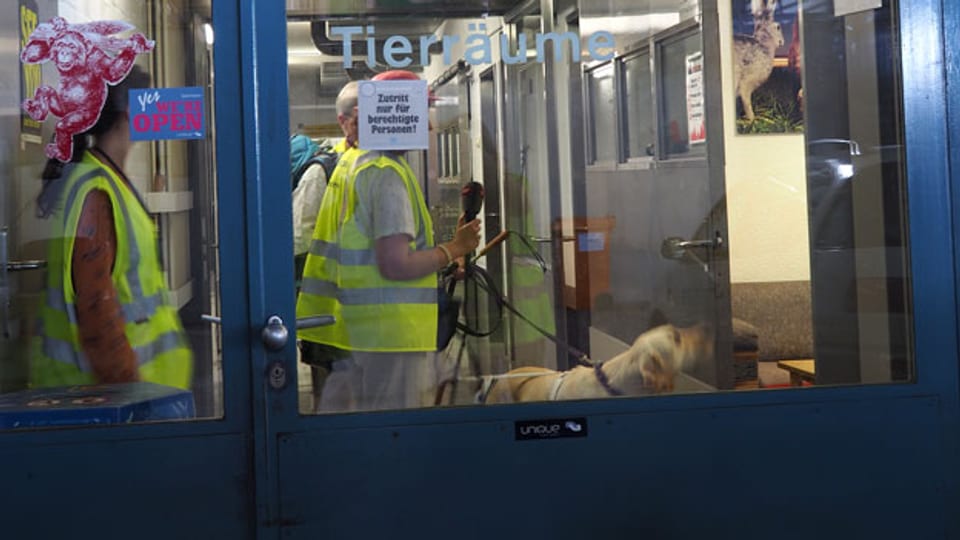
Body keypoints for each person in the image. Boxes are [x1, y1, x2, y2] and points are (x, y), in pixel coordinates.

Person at [296, 69, 481, 412]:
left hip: (363, 331)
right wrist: (454, 248)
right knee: (392, 433)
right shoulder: (386, 175)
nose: (427, 126)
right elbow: (395, 264)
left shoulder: (355, 161)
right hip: (391, 336)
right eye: (419, 114)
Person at [32, 65, 193, 389]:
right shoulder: (95, 191)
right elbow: (96, 315)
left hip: (145, 395)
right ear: (131, 109)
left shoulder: (107, 181)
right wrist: (129, 393)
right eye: (148, 98)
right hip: (119, 399)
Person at [295, 81, 362, 409]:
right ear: (344, 121)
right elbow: (299, 242)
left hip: (368, 320)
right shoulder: (322, 172)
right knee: (332, 409)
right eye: (362, 116)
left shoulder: (377, 166)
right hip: (328, 319)